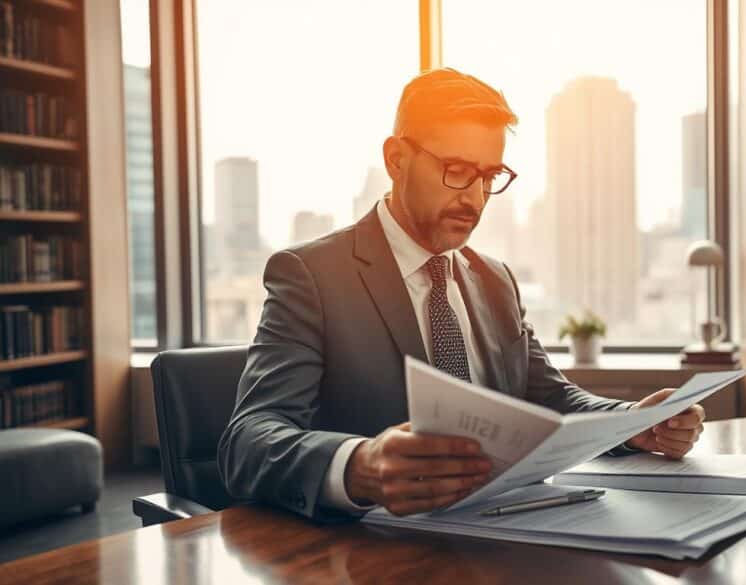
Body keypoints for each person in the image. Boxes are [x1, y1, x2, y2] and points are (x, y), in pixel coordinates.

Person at [217, 68, 705, 520]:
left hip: (502, 529)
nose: (472, 196)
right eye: (455, 169)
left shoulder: (495, 280)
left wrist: (634, 422)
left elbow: (551, 398)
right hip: (371, 548)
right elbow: (249, 441)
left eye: (489, 176)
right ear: (396, 159)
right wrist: (359, 464)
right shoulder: (311, 274)